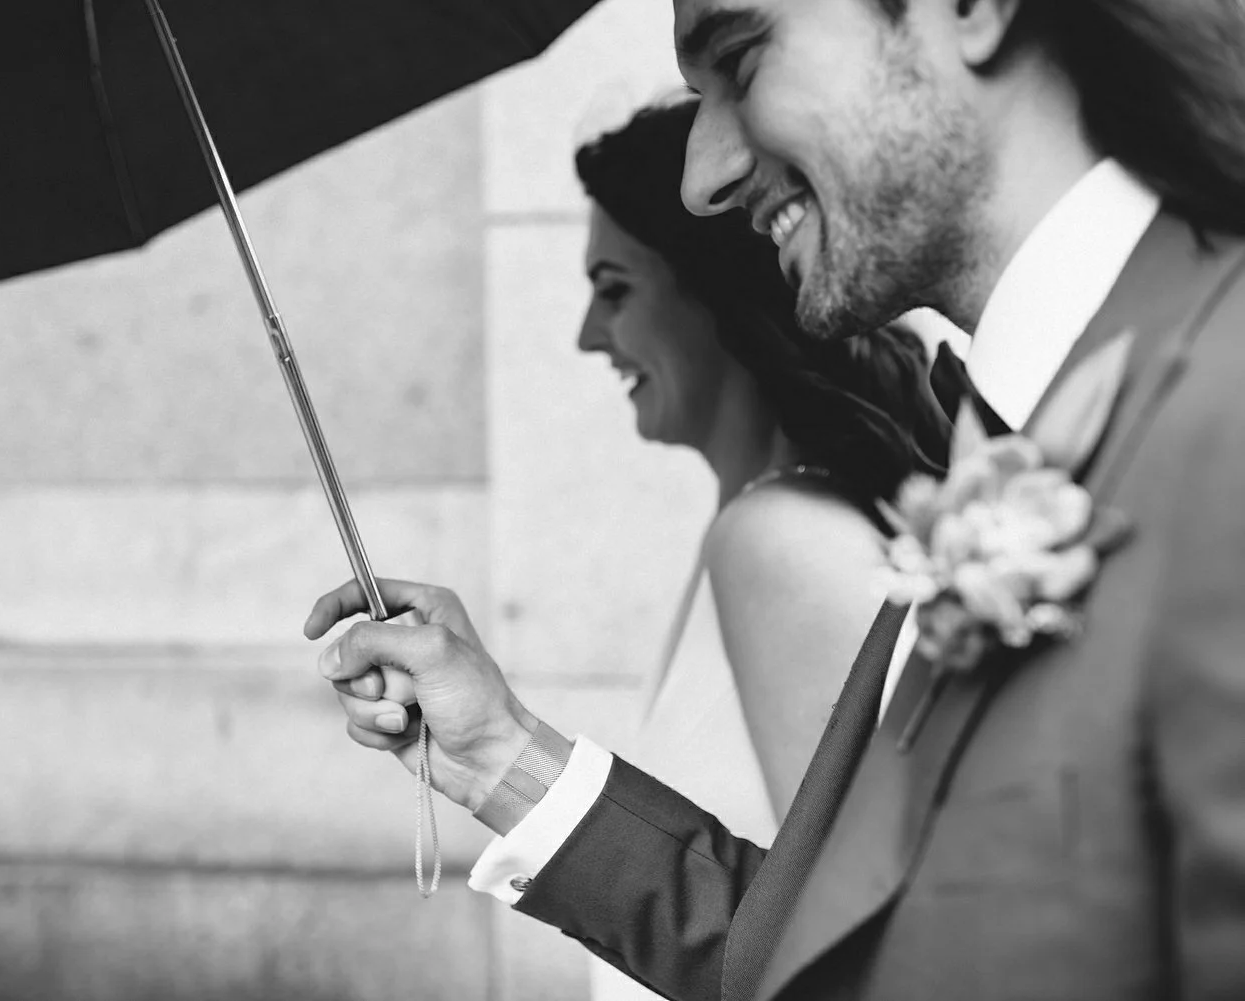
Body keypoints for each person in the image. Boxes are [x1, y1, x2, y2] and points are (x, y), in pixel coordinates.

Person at [306, 1, 1245, 998]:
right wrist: (500, 753)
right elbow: (838, 962)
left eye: (743, 61)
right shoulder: (1000, 455)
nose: (702, 176)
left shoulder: (1221, 411)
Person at [573, 96, 946, 1001]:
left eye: (615, 289)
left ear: (716, 296)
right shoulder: (752, 524)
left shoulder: (775, 540)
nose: (588, 337)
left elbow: (847, 954)